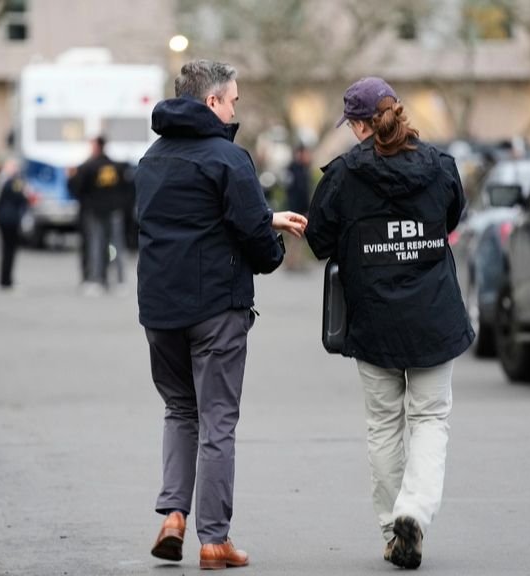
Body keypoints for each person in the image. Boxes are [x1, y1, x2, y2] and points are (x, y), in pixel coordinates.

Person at [136, 59, 307, 570]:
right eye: (232, 100)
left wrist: (264, 217)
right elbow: (250, 233)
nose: (235, 109)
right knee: (217, 421)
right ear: (211, 101)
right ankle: (214, 539)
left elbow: (190, 218)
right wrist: (272, 244)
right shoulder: (229, 158)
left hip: (160, 307)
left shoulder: (151, 158)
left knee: (179, 410)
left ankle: (173, 516)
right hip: (215, 307)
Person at [304, 77, 473, 569]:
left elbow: (319, 242)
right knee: (430, 419)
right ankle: (413, 512)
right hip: (433, 316)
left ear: (359, 126)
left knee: (383, 425)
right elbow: (451, 219)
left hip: (374, 318)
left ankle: (391, 528)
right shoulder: (440, 166)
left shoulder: (343, 175)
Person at [69, 136, 125, 296]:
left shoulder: (88, 167)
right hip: (114, 210)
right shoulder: (116, 166)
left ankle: (96, 280)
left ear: (97, 147)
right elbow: (126, 188)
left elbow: (76, 188)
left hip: (95, 212)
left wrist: (72, 176)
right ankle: (119, 281)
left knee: (96, 246)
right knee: (116, 246)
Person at [0, 158, 28, 289]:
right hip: (11, 219)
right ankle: (6, 280)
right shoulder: (12, 182)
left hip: (3, 218)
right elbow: (21, 197)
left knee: (6, 250)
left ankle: (5, 279)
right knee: (9, 250)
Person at [283, 144, 313, 271]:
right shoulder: (294, 170)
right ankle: (291, 262)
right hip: (295, 209)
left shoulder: (303, 169)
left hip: (300, 209)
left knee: (298, 237)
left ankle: (296, 261)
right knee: (294, 236)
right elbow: (294, 192)